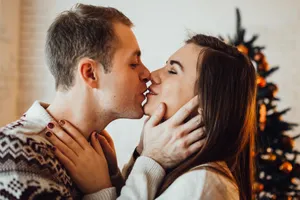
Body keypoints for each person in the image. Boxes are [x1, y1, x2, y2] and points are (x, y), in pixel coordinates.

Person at [0, 4, 203, 199]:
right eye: (133, 64)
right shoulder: (16, 152)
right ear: (90, 73)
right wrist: (152, 161)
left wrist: (116, 177)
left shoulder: (97, 151)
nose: (147, 74)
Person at [47, 34, 257, 200]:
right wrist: (119, 175)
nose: (152, 74)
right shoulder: (181, 169)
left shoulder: (202, 184)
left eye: (172, 71)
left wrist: (100, 190)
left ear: (207, 104)